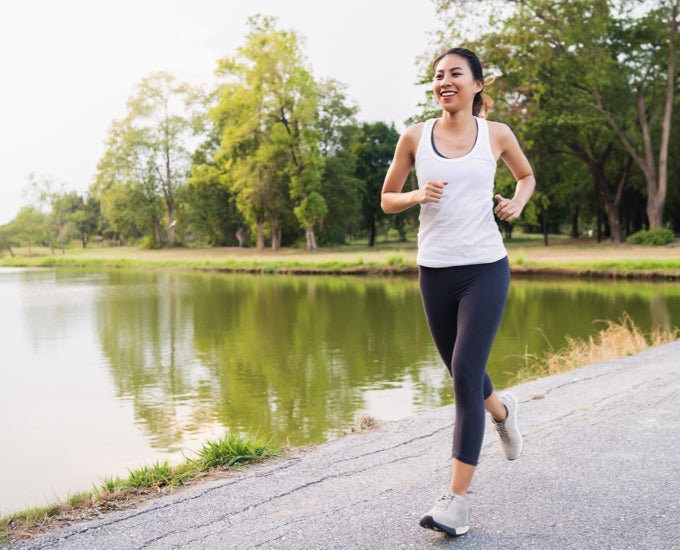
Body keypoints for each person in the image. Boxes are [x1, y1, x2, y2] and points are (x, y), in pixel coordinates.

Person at [381, 47, 535, 536]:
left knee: (465, 374)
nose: (444, 82)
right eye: (438, 75)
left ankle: (457, 502)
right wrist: (415, 195)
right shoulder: (414, 136)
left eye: (455, 75)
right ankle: (503, 412)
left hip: (486, 268)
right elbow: (387, 198)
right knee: (460, 371)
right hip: (435, 272)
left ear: (477, 85)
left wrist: (516, 202)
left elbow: (526, 176)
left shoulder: (497, 134)